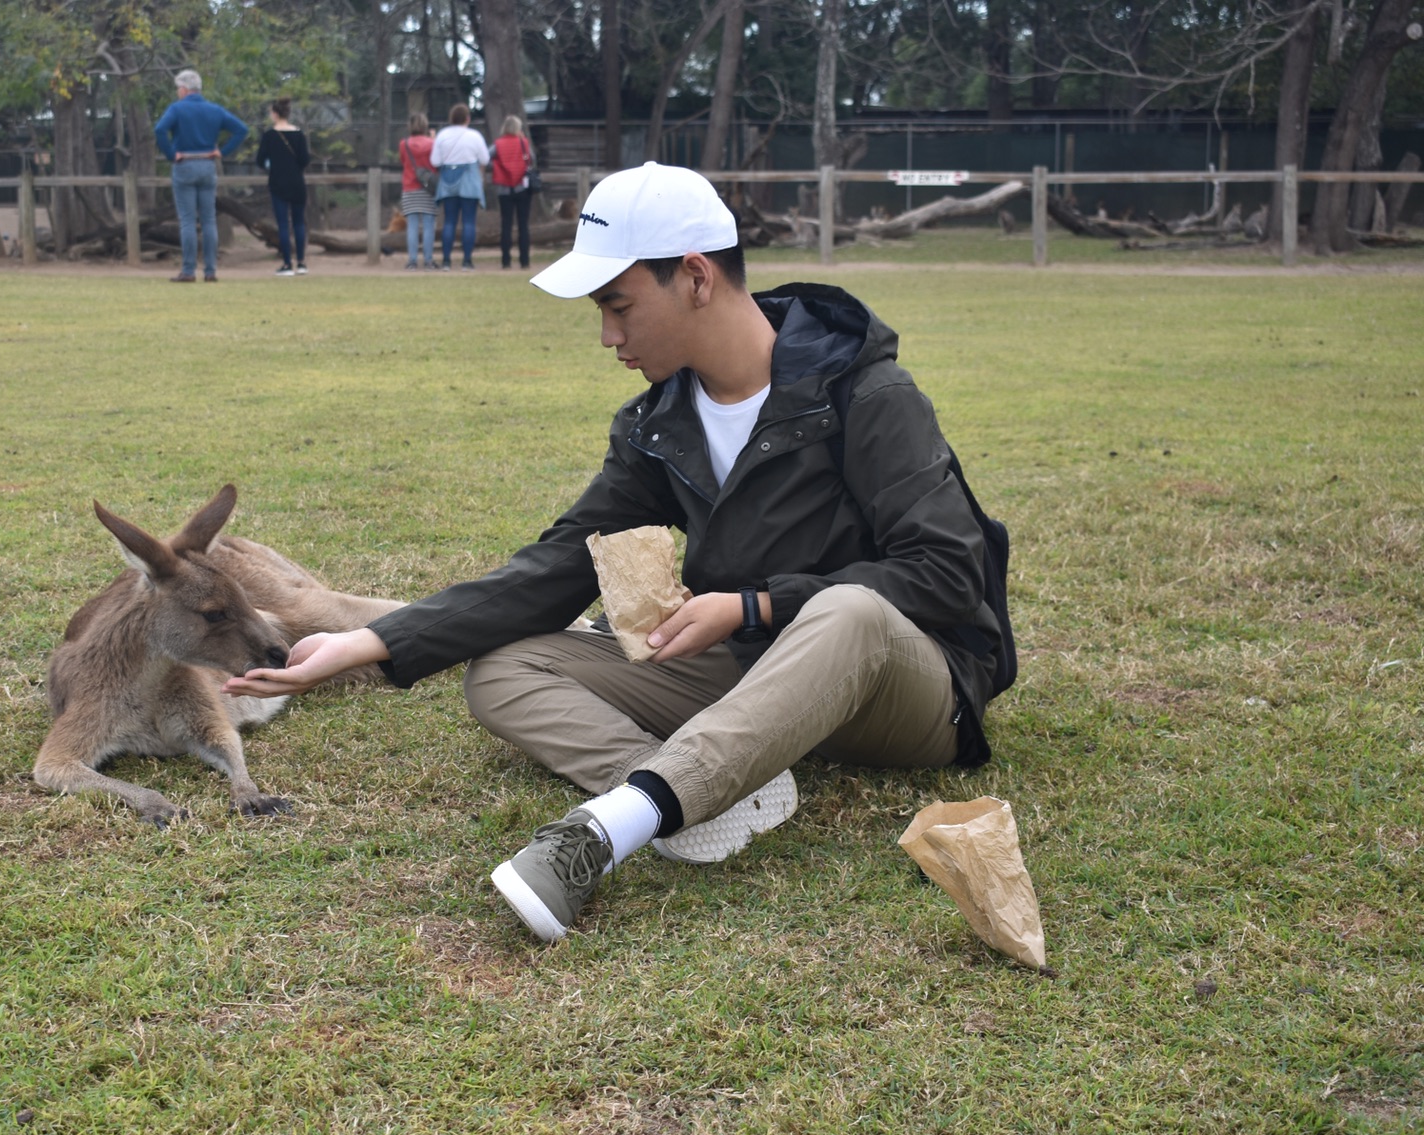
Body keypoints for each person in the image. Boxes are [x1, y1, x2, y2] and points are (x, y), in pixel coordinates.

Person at [224, 163, 1012, 943]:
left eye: (618, 305)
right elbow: (563, 562)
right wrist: (369, 642)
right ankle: (723, 790)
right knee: (505, 668)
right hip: (753, 675)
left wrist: (754, 604)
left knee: (849, 611)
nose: (608, 335)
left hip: (904, 684)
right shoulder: (659, 423)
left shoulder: (864, 394)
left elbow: (947, 573)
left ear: (696, 278)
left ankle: (610, 828)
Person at [153, 68, 248, 283]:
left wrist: (170, 154)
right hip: (207, 164)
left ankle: (188, 270)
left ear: (185, 89)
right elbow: (241, 129)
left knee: (187, 220)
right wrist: (222, 151)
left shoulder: (177, 109)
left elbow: (160, 130)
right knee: (208, 220)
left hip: (185, 163)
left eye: (179, 88)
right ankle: (210, 270)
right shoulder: (214, 109)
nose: (178, 92)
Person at [428, 103, 489, 271]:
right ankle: (467, 261)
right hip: (469, 179)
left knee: (449, 222)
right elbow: (484, 158)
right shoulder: (474, 136)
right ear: (467, 119)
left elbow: (435, 161)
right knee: (469, 222)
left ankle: (446, 261)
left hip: (448, 181)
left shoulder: (442, 135)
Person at [255, 99, 310, 276]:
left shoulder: (270, 136)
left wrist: (272, 164)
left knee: (283, 224)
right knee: (299, 223)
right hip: (297, 182)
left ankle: (287, 264)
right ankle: (301, 263)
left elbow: (260, 160)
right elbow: (305, 160)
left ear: (276, 114)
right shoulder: (299, 134)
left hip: (278, 182)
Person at [490, 115, 538, 270]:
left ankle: (506, 261)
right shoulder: (523, 143)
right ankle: (525, 260)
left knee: (506, 225)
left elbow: (486, 157)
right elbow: (532, 158)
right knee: (523, 225)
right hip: (522, 188)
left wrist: (496, 164)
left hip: (504, 189)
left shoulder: (498, 144)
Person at [397, 113, 438, 271]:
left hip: (409, 188)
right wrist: (433, 139)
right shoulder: (432, 143)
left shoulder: (404, 144)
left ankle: (412, 261)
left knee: (412, 226)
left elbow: (402, 161)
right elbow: (436, 161)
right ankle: (428, 261)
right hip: (428, 189)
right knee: (429, 226)